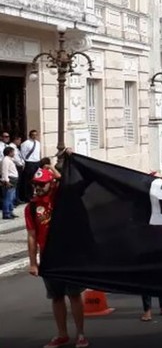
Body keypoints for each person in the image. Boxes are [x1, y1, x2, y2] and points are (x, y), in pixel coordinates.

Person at [26, 168, 90, 348]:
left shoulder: (62, 198)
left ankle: (80, 334)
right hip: (49, 258)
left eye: (42, 184)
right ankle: (62, 334)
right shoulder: (32, 207)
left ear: (52, 183)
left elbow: (77, 182)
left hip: (69, 255)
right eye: (35, 184)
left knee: (74, 295)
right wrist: (33, 263)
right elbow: (31, 236)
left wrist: (58, 168)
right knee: (56, 297)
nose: (38, 187)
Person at [1, 146, 18, 219]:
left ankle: (10, 211)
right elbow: (4, 171)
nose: (14, 153)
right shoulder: (6, 160)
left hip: (13, 180)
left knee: (12, 197)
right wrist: (7, 181)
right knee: (8, 197)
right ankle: (6, 213)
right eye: (13, 152)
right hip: (9, 180)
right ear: (9, 152)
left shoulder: (10, 159)